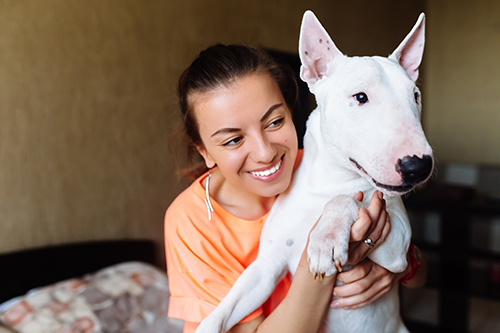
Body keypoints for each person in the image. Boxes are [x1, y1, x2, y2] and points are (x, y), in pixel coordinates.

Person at [165, 44, 427, 333]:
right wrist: (329, 257)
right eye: (233, 140)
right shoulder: (192, 223)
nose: (265, 153)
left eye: (275, 121)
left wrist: (392, 271)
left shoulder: (326, 164)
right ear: (204, 152)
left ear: (291, 112)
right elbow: (267, 271)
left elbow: (416, 270)